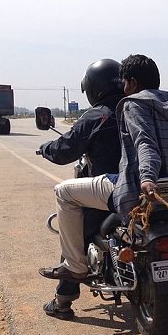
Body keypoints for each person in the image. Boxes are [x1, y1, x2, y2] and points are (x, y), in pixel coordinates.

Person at [40, 54, 168, 318]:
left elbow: (145, 144)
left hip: (135, 188)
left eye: (126, 82)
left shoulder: (127, 106)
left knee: (65, 193)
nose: (123, 87)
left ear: (130, 83)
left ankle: (73, 272)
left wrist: (147, 178)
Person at [39, 58, 124, 320]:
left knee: (75, 232)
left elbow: (67, 149)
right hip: (152, 186)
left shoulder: (99, 115)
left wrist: (46, 148)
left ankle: (64, 299)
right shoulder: (139, 108)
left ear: (93, 87)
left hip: (107, 191)